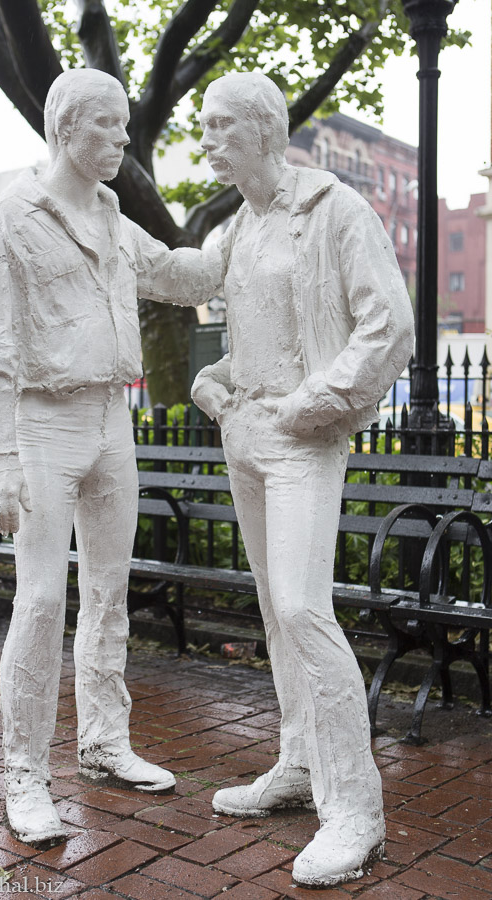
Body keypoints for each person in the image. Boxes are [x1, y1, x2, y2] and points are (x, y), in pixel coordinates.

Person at [0, 68, 219, 845]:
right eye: (109, 125)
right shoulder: (10, 216)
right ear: (68, 127)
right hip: (42, 425)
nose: (123, 139)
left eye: (124, 123)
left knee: (109, 592)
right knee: (40, 601)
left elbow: (174, 273)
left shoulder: (111, 214)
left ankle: (105, 744)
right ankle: (25, 772)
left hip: (114, 420)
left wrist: (255, 223)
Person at [191, 71, 414, 888]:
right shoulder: (240, 227)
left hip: (302, 438)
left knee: (302, 608)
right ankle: (295, 765)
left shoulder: (335, 209)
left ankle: (354, 806)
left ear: (260, 129)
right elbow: (253, 340)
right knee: (273, 611)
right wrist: (216, 384)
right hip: (244, 437)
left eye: (219, 126)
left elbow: (388, 326)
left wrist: (310, 406)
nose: (206, 139)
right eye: (204, 127)